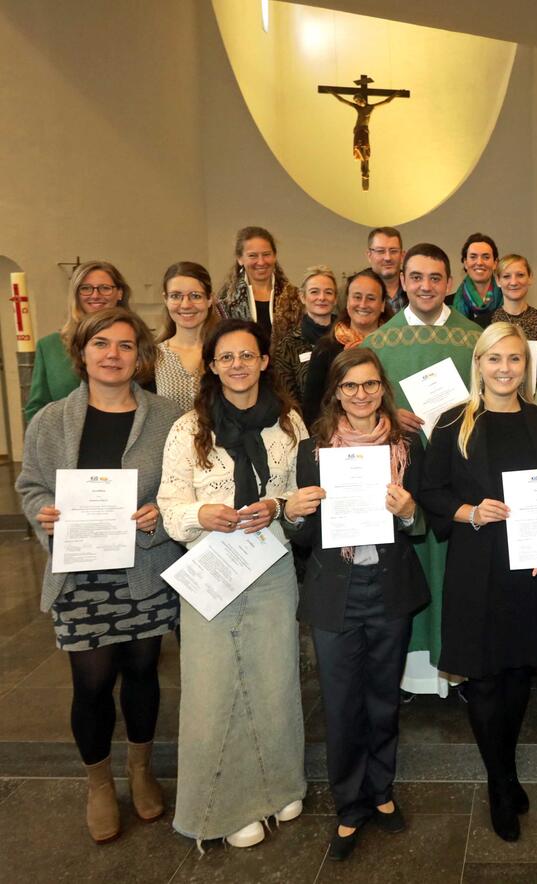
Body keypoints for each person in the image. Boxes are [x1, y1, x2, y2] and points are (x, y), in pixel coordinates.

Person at [17, 308, 182, 844]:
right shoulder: (50, 421)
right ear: (82, 353)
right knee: (90, 683)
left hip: (145, 568)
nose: (113, 354)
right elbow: (31, 486)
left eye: (126, 345)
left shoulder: (167, 417)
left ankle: (139, 770)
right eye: (101, 344)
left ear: (141, 356)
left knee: (142, 672)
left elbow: (183, 481)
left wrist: (160, 510)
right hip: (80, 573)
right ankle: (97, 783)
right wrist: (45, 516)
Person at [158, 319, 308, 849]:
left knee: (274, 679)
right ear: (213, 365)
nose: (238, 365)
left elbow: (304, 498)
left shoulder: (289, 423)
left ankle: (280, 785)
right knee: (213, 687)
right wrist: (204, 512)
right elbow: (169, 506)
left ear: (265, 361)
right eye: (227, 357)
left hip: (270, 566)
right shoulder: (187, 429)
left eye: (248, 355)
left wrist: (280, 506)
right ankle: (226, 806)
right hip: (211, 573)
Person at [419, 323, 537, 842]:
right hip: (476, 564)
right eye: (495, 359)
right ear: (477, 363)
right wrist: (471, 512)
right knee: (483, 678)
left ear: (526, 367)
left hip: (529, 566)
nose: (505, 369)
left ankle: (505, 771)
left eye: (515, 360)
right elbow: (429, 491)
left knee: (519, 673)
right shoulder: (451, 423)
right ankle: (500, 780)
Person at [284, 349, 428, 861]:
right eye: (350, 387)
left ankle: (382, 791)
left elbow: (426, 522)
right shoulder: (312, 450)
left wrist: (410, 512)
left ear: (382, 388)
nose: (361, 395)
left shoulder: (408, 444)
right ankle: (349, 804)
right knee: (342, 704)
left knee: (384, 699)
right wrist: (294, 514)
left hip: (389, 587)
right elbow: (301, 538)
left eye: (370, 385)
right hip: (334, 591)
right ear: (336, 393)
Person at [365, 243, 481, 695]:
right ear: (403, 281)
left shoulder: (476, 340)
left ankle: (463, 664)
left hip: (463, 473)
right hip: (407, 475)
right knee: (417, 564)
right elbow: (357, 403)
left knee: (458, 568)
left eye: (435, 278)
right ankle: (417, 677)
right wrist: (391, 416)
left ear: (449, 283)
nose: (426, 286)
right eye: (416, 277)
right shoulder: (379, 343)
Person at [25, 260, 131, 422]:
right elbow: (36, 410)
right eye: (86, 288)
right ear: (75, 294)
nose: (95, 295)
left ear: (120, 293)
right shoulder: (49, 347)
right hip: (67, 442)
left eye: (105, 288)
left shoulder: (137, 342)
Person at [301, 270, 392, 427]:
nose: (363, 304)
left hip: (391, 434)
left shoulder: (395, 345)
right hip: (336, 441)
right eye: (357, 297)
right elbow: (313, 408)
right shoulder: (326, 348)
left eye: (371, 298)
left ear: (383, 304)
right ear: (347, 301)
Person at [215, 226, 301, 344]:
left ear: (274, 256)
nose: (261, 262)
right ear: (240, 259)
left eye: (266, 254)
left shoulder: (295, 297)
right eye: (252, 256)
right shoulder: (225, 301)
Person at [488, 254, 537, 379]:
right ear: (498, 281)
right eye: (506, 276)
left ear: (530, 278)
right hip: (495, 396)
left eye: (520, 275)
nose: (513, 282)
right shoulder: (483, 323)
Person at [156, 261, 219, 410]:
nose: (185, 305)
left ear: (210, 299)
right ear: (165, 299)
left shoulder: (225, 353)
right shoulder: (153, 356)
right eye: (176, 296)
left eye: (195, 296)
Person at [271, 265, 338, 405]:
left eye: (328, 292)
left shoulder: (348, 337)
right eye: (314, 292)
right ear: (302, 297)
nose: (322, 298)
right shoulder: (288, 345)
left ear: (335, 298)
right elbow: (287, 397)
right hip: (306, 422)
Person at [447, 233, 502, 327]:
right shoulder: (447, 304)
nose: (479, 262)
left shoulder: (507, 301)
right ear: (465, 263)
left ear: (495, 263)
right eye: (473, 257)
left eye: (486, 257)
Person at [367, 227, 407, 314]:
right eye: (380, 251)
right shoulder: (350, 293)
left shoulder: (416, 289)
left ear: (402, 256)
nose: (387, 258)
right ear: (369, 256)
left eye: (393, 251)